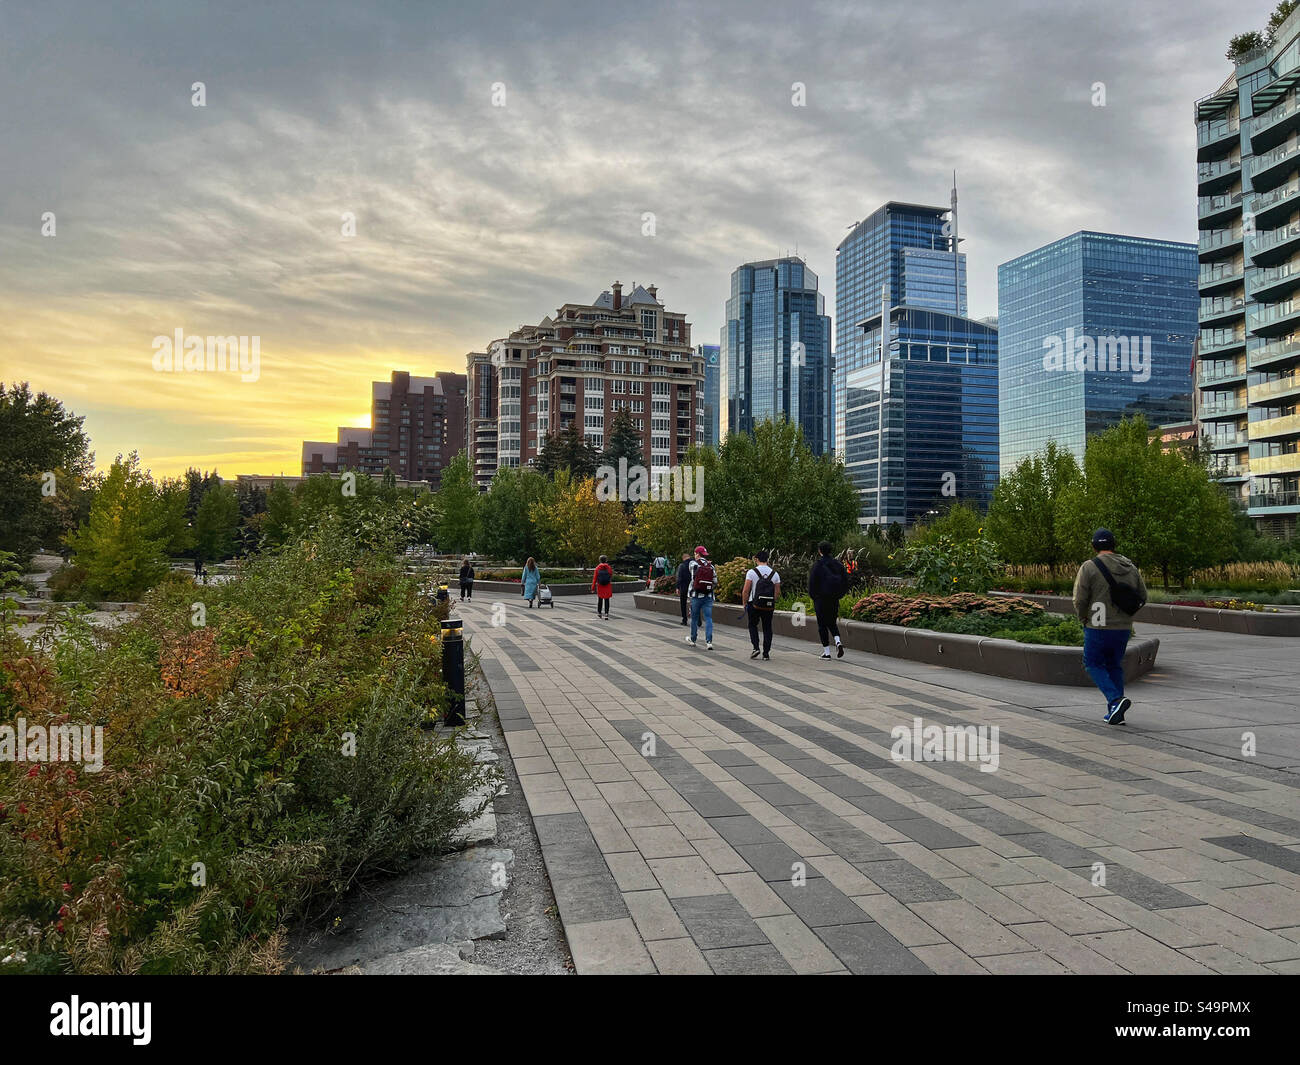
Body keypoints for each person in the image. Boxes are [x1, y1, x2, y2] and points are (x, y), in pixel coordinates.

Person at [1072, 528, 1148, 726]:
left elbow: (1079, 599)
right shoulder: (1130, 567)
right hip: (1122, 627)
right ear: (1114, 545)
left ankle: (1115, 701)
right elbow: (1143, 596)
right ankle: (1116, 712)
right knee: (1114, 665)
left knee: (1093, 664)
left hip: (1097, 625)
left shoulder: (1089, 567)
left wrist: (1083, 618)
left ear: (1094, 546)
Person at [808, 541, 847, 660]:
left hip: (820, 599)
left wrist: (814, 597)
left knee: (822, 625)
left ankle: (827, 652)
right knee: (831, 622)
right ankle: (838, 641)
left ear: (820, 551)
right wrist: (839, 595)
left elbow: (812, 583)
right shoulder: (838, 565)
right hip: (834, 598)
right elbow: (846, 581)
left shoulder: (817, 565)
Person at [742, 549, 781, 660]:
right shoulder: (775, 574)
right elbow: (777, 592)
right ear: (767, 560)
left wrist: (744, 603)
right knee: (767, 627)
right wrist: (772, 601)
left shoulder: (751, 572)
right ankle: (766, 653)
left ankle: (756, 648)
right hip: (768, 604)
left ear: (756, 559)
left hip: (753, 604)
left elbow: (746, 590)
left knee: (752, 625)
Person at [683, 546, 714, 650]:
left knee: (694, 618)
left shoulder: (693, 564)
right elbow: (715, 582)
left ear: (697, 554)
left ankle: (693, 639)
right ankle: (709, 642)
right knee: (708, 618)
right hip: (708, 596)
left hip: (696, 595)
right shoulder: (711, 566)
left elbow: (691, 573)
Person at [592, 554, 614, 619]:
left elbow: (594, 579)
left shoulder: (597, 568)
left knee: (600, 599)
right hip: (607, 586)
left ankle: (599, 613)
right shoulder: (609, 568)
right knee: (607, 600)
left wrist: (592, 588)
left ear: (599, 560)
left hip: (600, 586)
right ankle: (606, 614)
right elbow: (610, 576)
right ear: (606, 560)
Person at [675, 552, 692, 625]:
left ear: (683, 558)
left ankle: (684, 620)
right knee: (694, 603)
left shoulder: (682, 565)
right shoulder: (694, 565)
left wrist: (677, 587)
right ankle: (698, 620)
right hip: (693, 587)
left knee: (683, 603)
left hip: (684, 587)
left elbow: (679, 578)